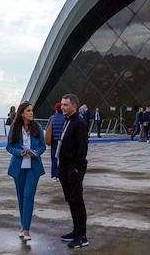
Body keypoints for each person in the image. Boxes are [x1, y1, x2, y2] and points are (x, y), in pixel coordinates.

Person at [6, 101, 46, 242]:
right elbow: (9, 146)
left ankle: (27, 229)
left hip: (33, 167)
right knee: (21, 197)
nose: (31, 113)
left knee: (28, 196)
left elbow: (43, 146)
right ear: (22, 113)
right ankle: (23, 226)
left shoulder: (38, 127)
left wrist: (35, 152)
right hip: (18, 167)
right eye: (28, 111)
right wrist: (19, 152)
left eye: (32, 110)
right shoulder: (14, 128)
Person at [58, 93, 89, 249]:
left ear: (74, 106)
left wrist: (76, 169)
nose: (62, 107)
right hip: (64, 167)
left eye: (65, 105)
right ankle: (75, 231)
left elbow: (83, 149)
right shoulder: (68, 121)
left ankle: (82, 236)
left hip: (73, 168)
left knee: (77, 200)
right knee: (70, 199)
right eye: (62, 104)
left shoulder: (79, 123)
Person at [49, 102, 65, 181]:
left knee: (54, 158)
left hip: (53, 141)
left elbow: (48, 128)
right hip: (62, 141)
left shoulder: (52, 118)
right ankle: (60, 174)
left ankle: (54, 176)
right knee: (62, 159)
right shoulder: (65, 118)